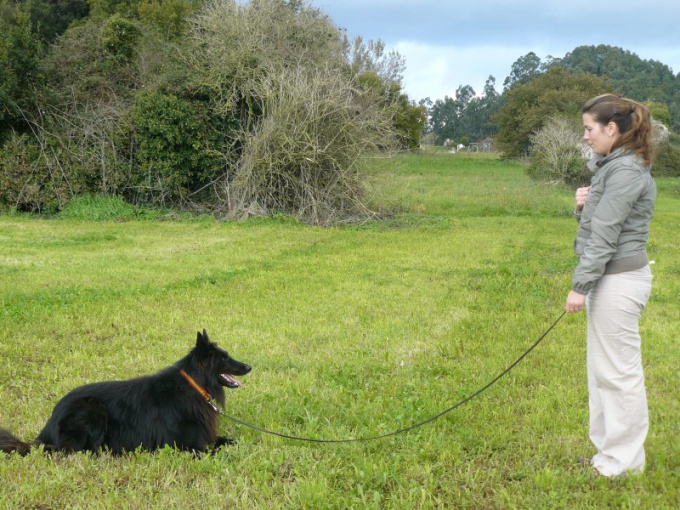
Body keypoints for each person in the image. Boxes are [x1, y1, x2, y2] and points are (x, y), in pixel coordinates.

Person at [565, 94, 656, 478]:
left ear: (612, 128)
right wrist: (582, 207)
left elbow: (605, 235)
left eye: (589, 128)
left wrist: (579, 286)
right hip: (610, 278)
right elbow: (597, 222)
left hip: (618, 281)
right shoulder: (611, 168)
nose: (585, 136)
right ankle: (608, 456)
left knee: (618, 374)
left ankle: (623, 464)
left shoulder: (625, 172)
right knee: (602, 371)